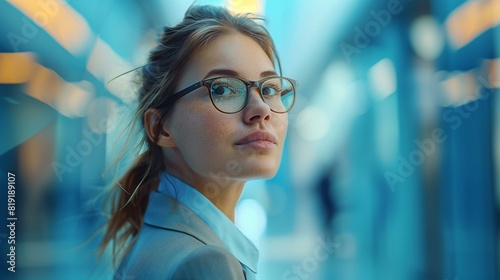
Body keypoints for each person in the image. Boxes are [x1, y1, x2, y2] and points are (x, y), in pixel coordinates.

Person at [98, 5, 297, 280]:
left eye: (270, 88)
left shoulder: (155, 240)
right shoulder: (205, 263)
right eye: (223, 88)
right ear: (161, 128)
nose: (261, 109)